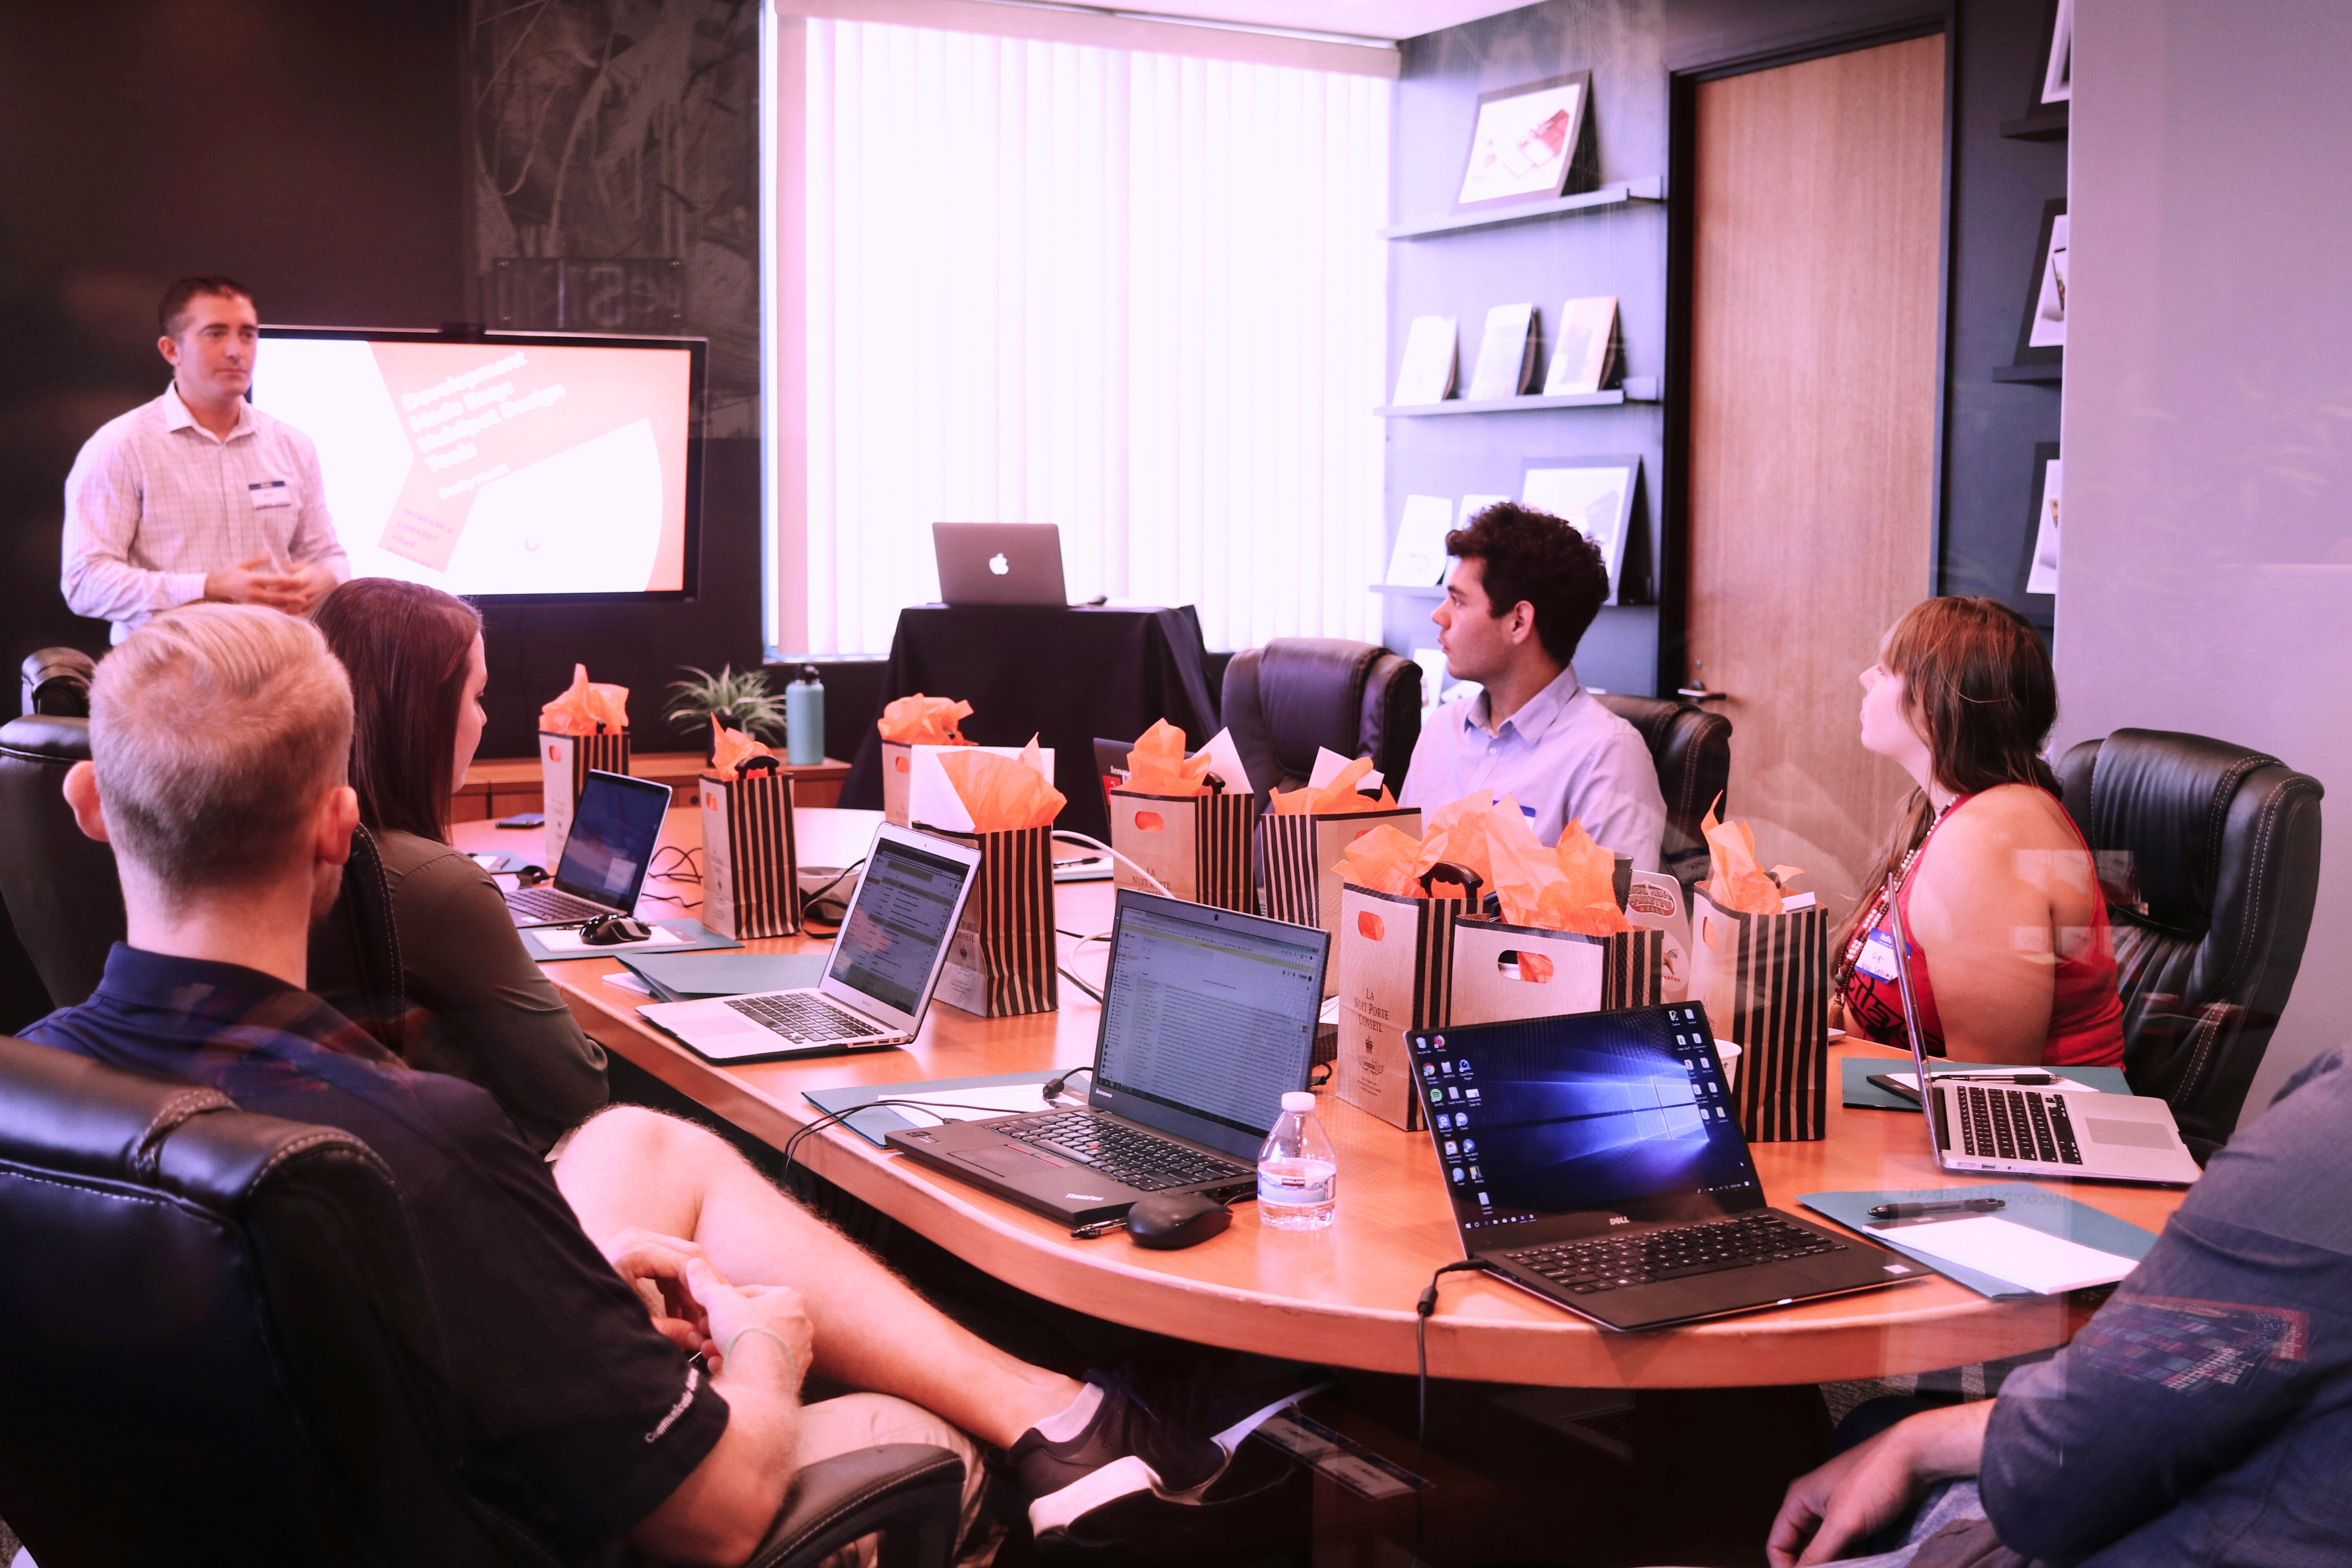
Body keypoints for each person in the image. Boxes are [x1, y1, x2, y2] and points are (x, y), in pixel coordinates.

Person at [25, 604, 1235, 1564]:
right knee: (919, 1442)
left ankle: (1056, 1405)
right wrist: (765, 1344)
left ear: (87, 806)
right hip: (550, 1526)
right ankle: (1059, 1434)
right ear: (338, 828)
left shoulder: (33, 1091)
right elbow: (713, 1517)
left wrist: (563, 1289)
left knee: (637, 1143)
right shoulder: (417, 1141)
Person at [1767, 1044, 2352, 1568]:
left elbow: (2046, 1495)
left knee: (1859, 1448)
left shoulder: (2333, 1134)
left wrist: (1916, 1445)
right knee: (1875, 1425)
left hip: (2163, 1538)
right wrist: (1914, 1441)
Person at [308, 577, 606, 1152]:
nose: (484, 720)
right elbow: (580, 1090)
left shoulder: (288, 845)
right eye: (477, 697)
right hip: (484, 1168)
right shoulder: (439, 885)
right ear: (421, 714)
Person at [1835, 596, 2123, 1067]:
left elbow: (1988, 1083)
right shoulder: (1941, 810)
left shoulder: (1989, 836)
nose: (1866, 678)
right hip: (1905, 1092)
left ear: (1934, 704)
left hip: (2026, 1113)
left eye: (1886, 671)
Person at [60, 274, 348, 643]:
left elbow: (330, 556)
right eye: (216, 334)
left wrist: (326, 578)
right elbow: (84, 582)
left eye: (247, 335)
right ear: (172, 350)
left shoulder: (293, 445)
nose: (236, 351)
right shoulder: (121, 446)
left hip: (279, 661)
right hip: (170, 666)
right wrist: (208, 588)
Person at [1399, 501, 1667, 871]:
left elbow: (1618, 907)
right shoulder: (1441, 729)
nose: (1438, 615)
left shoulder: (1607, 756)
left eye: (1458, 601)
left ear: (1519, 622)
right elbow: (1396, 878)